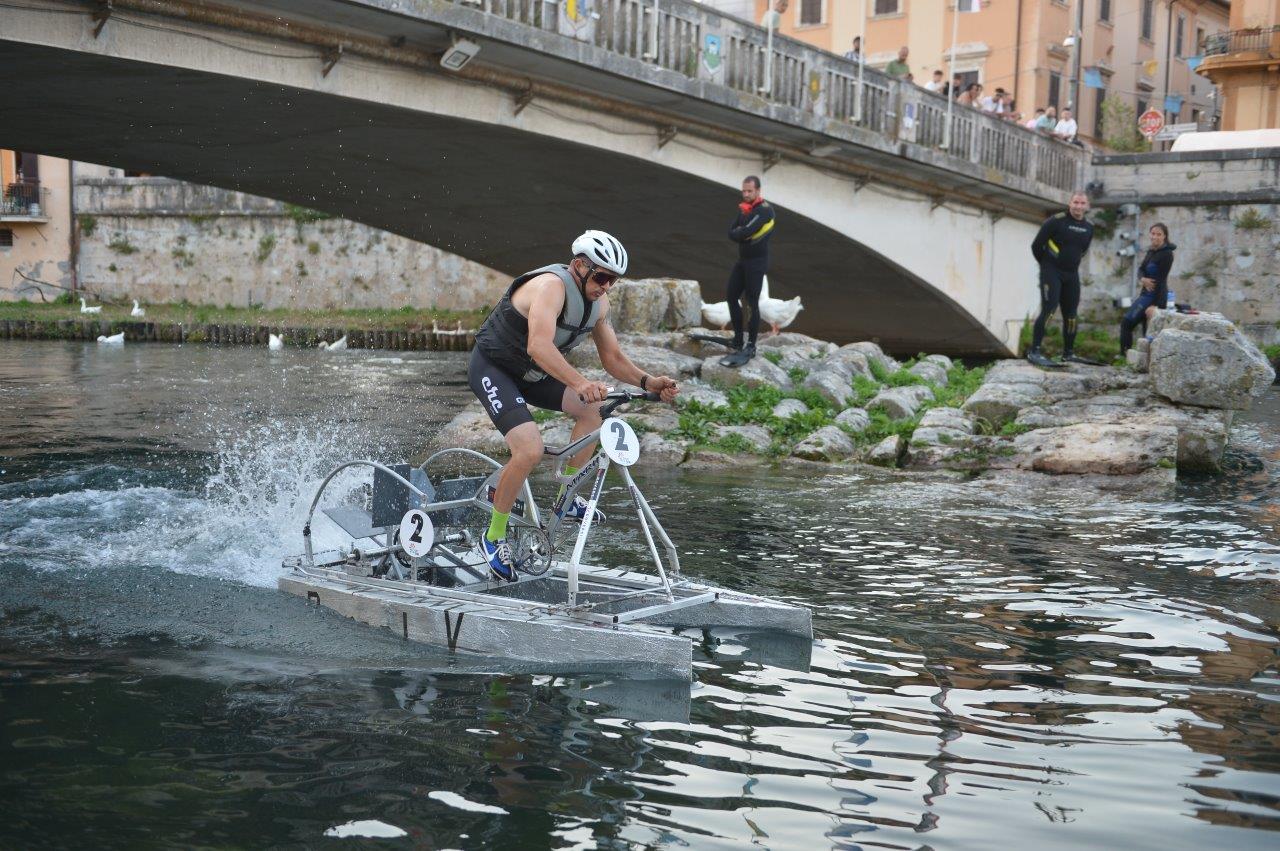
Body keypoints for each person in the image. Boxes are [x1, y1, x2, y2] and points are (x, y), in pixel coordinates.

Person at [468, 231, 679, 580]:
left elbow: (613, 357)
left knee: (592, 411)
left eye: (613, 281)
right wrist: (580, 383)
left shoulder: (599, 304)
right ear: (579, 266)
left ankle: (567, 498)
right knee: (530, 450)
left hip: (532, 375)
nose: (606, 287)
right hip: (494, 369)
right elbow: (538, 346)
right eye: (601, 277)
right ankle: (493, 537)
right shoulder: (551, 287)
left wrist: (647, 382)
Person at [1027, 191, 1095, 367]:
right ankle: (1035, 351)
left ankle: (1068, 353)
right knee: (1049, 309)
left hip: (1071, 274)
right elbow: (1036, 246)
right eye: (1075, 202)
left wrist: (1068, 264)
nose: (1078, 206)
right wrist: (1047, 265)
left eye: (1082, 203)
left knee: (1071, 314)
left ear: (1087, 206)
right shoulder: (1056, 221)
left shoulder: (1089, 227)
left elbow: (1083, 251)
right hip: (1052, 272)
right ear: (1069, 203)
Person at [721, 176, 776, 367]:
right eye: (743, 191)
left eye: (749, 191)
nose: (745, 194)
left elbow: (743, 233)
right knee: (731, 296)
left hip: (756, 263)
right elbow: (731, 233)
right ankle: (738, 338)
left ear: (758, 191)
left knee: (751, 302)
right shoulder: (745, 209)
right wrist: (741, 232)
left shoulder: (765, 210)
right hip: (743, 261)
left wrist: (742, 232)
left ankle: (751, 344)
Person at [1120, 223, 1176, 356]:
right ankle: (1125, 356)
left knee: (1131, 324)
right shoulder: (1151, 251)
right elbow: (1141, 269)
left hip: (1155, 297)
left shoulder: (1167, 254)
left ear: (1164, 236)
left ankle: (1137, 359)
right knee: (1130, 324)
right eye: (1153, 233)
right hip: (1145, 295)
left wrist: (1154, 305)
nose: (1155, 237)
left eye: (1158, 234)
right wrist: (1143, 279)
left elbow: (1161, 280)